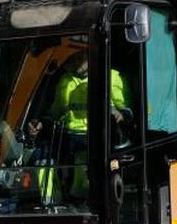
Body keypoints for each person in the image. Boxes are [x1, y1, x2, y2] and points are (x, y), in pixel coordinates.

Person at [50, 52, 130, 202]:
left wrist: (119, 114)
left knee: (91, 177)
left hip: (97, 136)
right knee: (70, 176)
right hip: (69, 137)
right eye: (74, 57)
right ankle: (75, 199)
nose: (77, 61)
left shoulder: (111, 77)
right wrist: (45, 120)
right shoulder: (65, 80)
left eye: (81, 57)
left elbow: (125, 110)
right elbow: (56, 110)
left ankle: (88, 200)